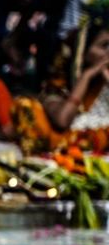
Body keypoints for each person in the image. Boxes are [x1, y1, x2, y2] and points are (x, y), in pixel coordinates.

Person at [15, 17, 109, 154]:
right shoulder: (58, 85)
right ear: (82, 52)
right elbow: (62, 120)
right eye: (104, 46)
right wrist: (87, 76)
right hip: (71, 157)